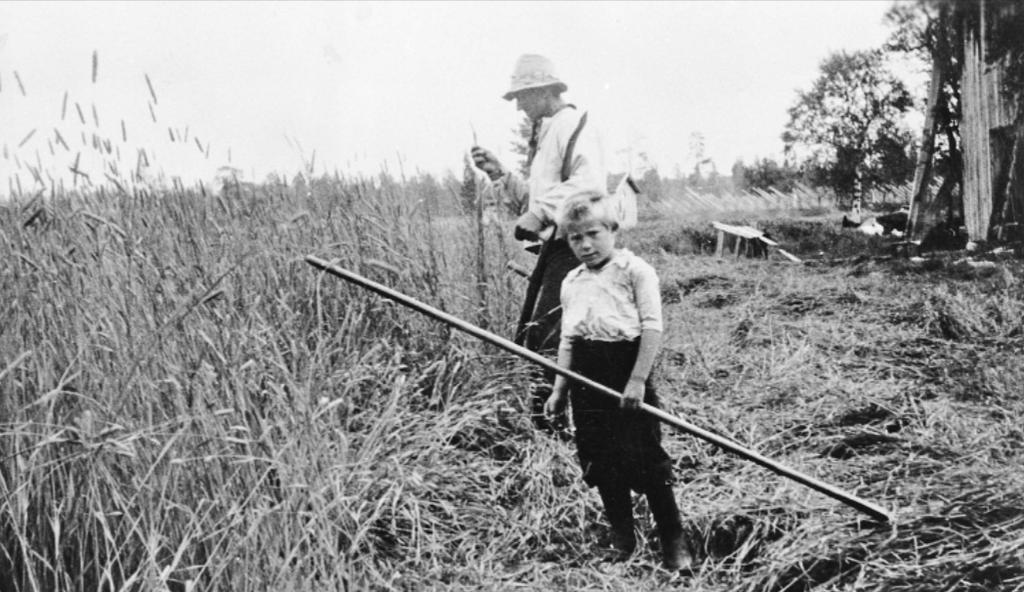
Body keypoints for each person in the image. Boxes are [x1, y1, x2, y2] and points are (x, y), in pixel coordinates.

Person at [543, 193, 692, 571]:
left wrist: (638, 379)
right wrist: (560, 390)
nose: (585, 245)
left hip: (626, 370)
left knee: (646, 458)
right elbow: (568, 339)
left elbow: (652, 327)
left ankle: (673, 540)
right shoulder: (571, 281)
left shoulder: (635, 270)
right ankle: (622, 537)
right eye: (575, 238)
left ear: (612, 229)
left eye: (593, 233)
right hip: (585, 378)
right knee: (600, 459)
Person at [472, 54, 607, 434]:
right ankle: (549, 420)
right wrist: (500, 174)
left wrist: (543, 213)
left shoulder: (576, 125)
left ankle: (554, 426)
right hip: (556, 248)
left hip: (578, 249)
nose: (518, 105)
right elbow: (540, 195)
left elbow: (590, 183)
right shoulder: (549, 132)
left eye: (523, 96)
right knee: (538, 333)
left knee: (548, 336)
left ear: (546, 91)